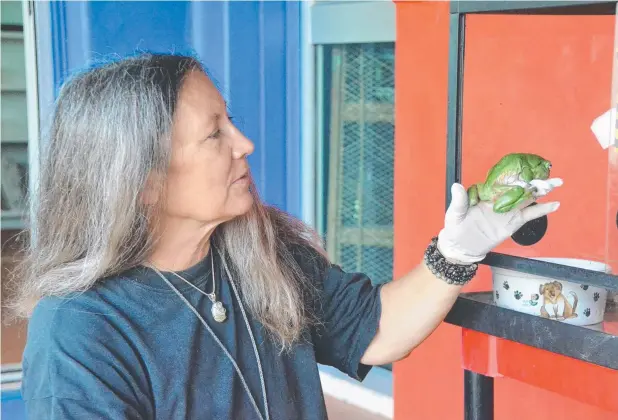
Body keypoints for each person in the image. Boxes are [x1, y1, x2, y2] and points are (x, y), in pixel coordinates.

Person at [8, 53, 562, 420]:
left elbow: (373, 330)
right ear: (143, 182)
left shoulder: (258, 247)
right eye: (214, 135)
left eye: (232, 120)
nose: (244, 143)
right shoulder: (82, 331)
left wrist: (455, 253)